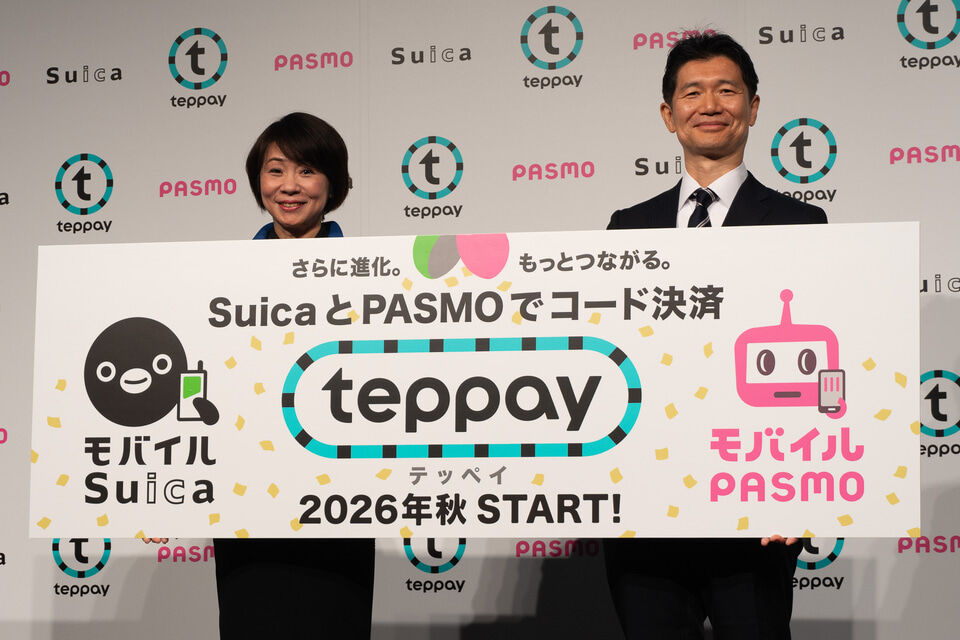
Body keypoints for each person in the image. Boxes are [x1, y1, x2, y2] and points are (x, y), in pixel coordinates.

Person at [604, 34, 824, 640]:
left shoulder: (803, 224)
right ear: (668, 114)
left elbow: (824, 366)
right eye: (692, 92)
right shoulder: (627, 228)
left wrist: (808, 490)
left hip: (759, 505)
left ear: (753, 107)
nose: (710, 105)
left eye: (727, 90)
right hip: (646, 510)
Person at [147, 112, 375, 639]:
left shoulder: (372, 277)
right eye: (276, 170)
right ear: (257, 181)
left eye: (307, 170)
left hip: (338, 501)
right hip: (245, 502)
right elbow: (195, 376)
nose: (289, 186)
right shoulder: (220, 279)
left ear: (334, 184)